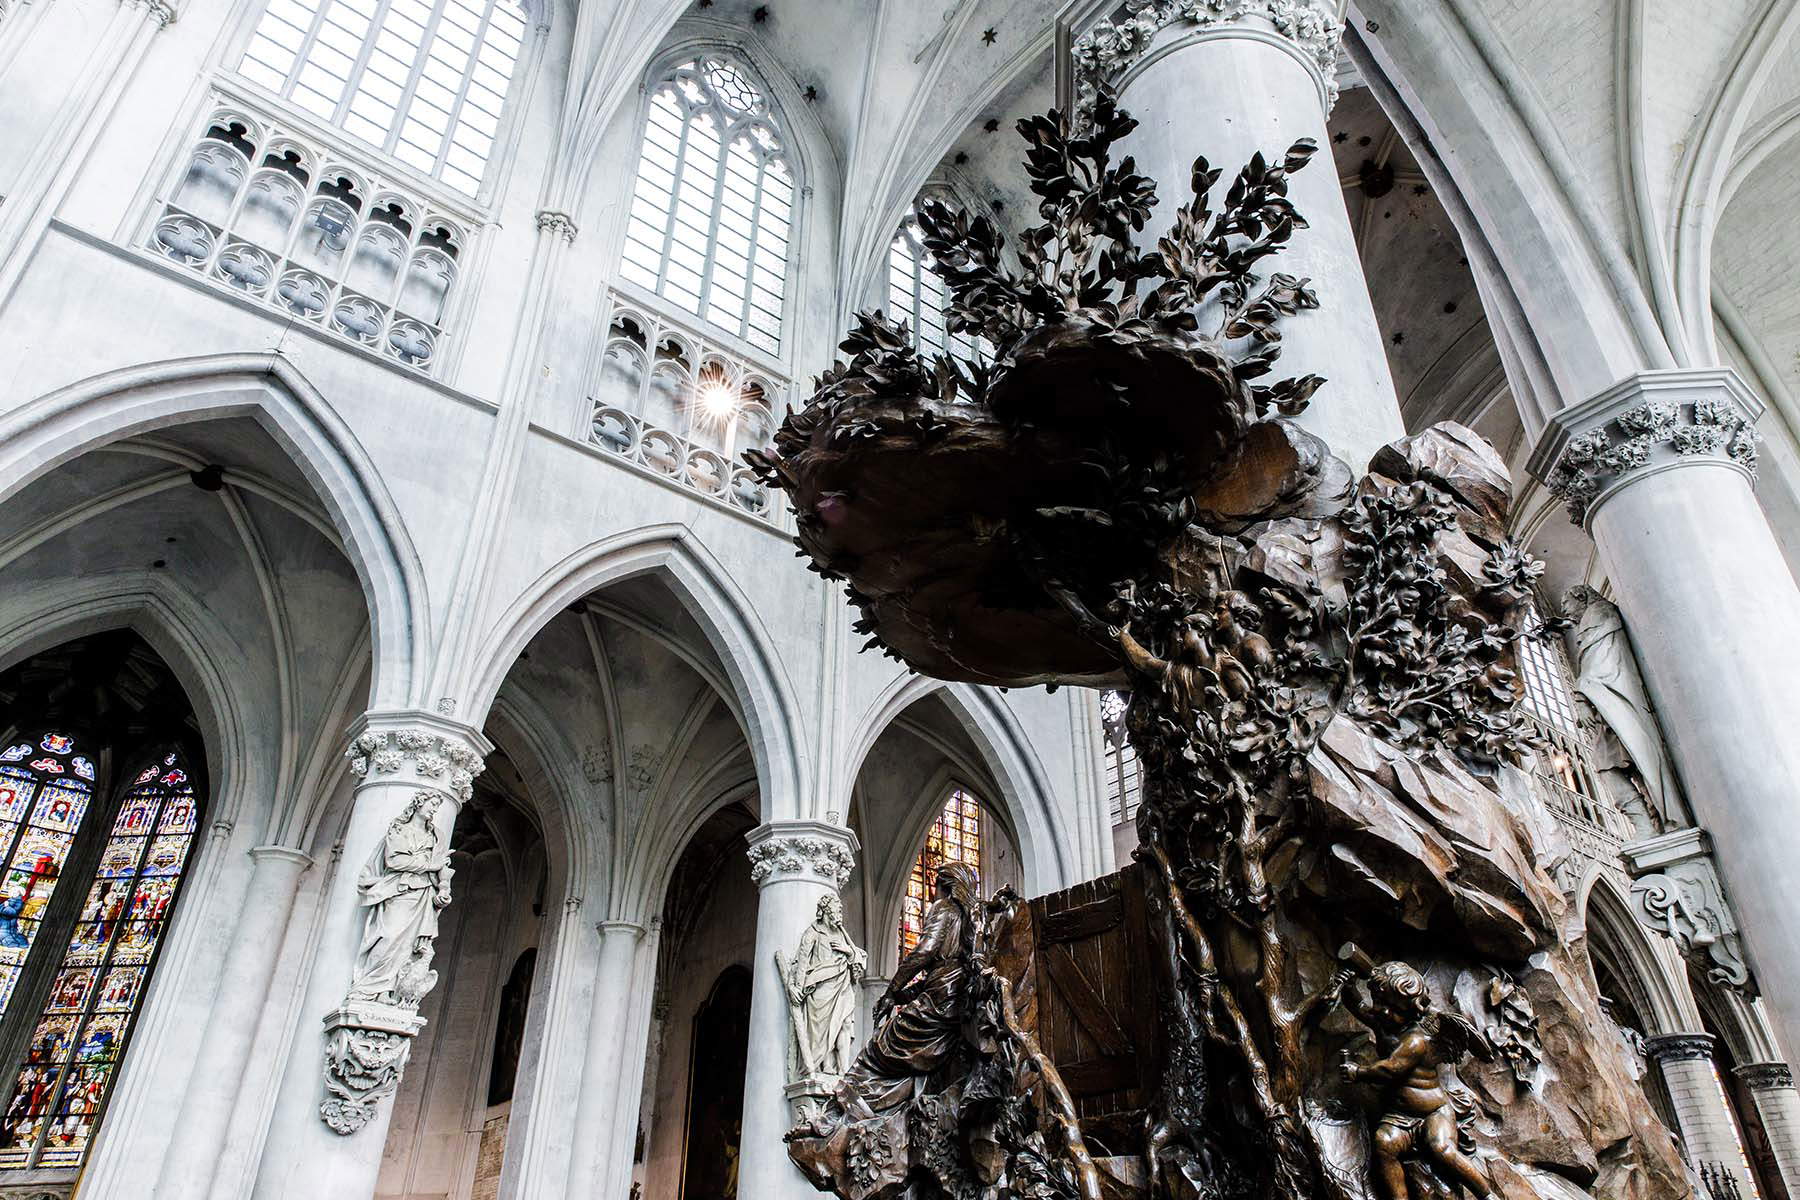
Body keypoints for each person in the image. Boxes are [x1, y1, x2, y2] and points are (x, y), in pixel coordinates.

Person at [1335, 961, 1495, 1200]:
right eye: (1379, 1003)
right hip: (1399, 1116)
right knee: (1384, 1144)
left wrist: (1359, 1072)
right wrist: (1347, 987)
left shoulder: (1415, 1041)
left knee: (1442, 1149)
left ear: (1413, 1011)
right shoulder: (1384, 1022)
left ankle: (1486, 1194)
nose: (1382, 1011)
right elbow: (1359, 1007)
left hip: (1433, 1112)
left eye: (1393, 1008)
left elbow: (1391, 1069)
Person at [838, 860, 979, 1116]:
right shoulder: (970, 919)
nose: (932, 892)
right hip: (953, 998)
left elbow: (924, 953)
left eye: (935, 886)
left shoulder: (944, 908)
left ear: (944, 887)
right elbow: (935, 976)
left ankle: (858, 1109)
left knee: (880, 1047)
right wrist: (900, 995)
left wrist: (891, 990)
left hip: (940, 1001)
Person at [783, 894, 868, 1078]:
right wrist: (795, 987)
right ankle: (823, 1065)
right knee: (821, 1030)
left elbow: (859, 957)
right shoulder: (812, 933)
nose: (840, 913)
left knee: (845, 1023)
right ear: (827, 911)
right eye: (837, 909)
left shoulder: (842, 934)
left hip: (842, 984)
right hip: (820, 989)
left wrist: (847, 950)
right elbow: (801, 963)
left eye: (840, 910)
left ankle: (844, 1070)